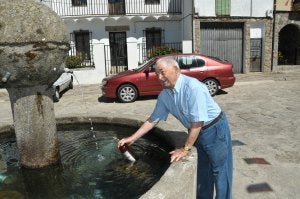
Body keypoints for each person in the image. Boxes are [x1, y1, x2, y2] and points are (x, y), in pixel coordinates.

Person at [118, 57, 233, 199]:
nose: (159, 77)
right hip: (196, 131)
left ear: (176, 70)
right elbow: (153, 120)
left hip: (214, 129)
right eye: (157, 73)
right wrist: (132, 139)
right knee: (204, 171)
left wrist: (185, 149)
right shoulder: (165, 95)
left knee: (220, 172)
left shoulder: (193, 87)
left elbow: (198, 122)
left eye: (162, 72)